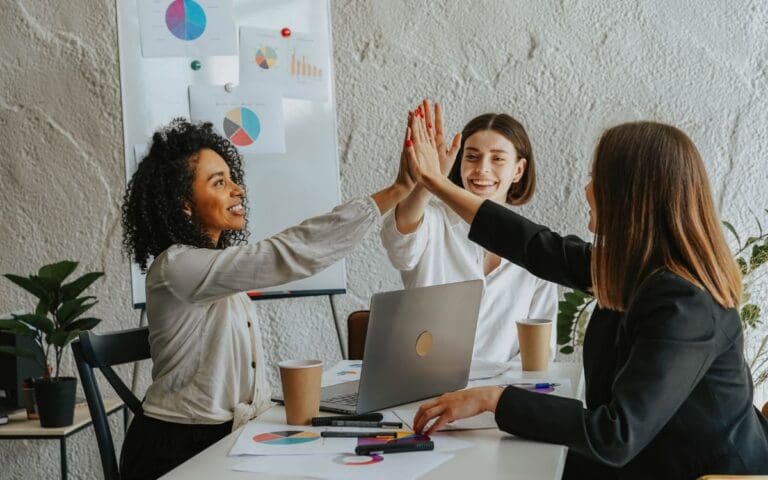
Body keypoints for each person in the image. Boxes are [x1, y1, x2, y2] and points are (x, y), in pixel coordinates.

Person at [404, 113, 768, 479]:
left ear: (630, 195)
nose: (587, 189)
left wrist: (493, 399)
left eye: (597, 178)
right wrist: (435, 183)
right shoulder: (636, 269)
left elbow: (615, 434)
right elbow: (533, 245)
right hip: (647, 459)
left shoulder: (684, 303)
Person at [119, 119, 414, 479]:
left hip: (225, 436)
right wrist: (398, 189)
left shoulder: (212, 269)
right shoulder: (178, 267)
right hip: (176, 450)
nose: (238, 190)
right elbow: (284, 254)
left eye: (231, 178)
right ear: (184, 205)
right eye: (219, 183)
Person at [380, 101, 557, 362]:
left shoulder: (536, 246)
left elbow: (540, 352)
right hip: (425, 388)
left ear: (518, 170)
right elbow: (399, 242)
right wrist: (430, 179)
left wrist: (499, 397)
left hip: (499, 395)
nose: (482, 169)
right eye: (472, 156)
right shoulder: (433, 221)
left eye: (497, 158)